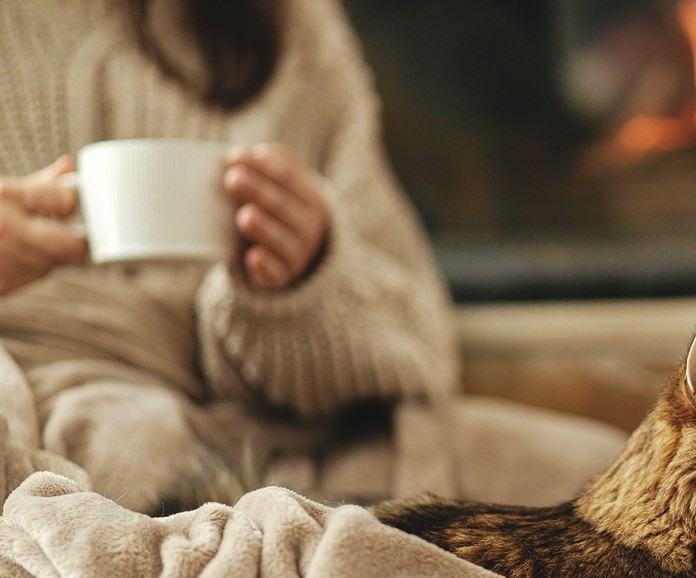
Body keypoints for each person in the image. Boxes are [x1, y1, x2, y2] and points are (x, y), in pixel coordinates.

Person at [0, 0, 625, 513]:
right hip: (50, 413)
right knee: (134, 447)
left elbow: (420, 337)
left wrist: (306, 271)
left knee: (619, 479)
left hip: (278, 427)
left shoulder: (291, 24)